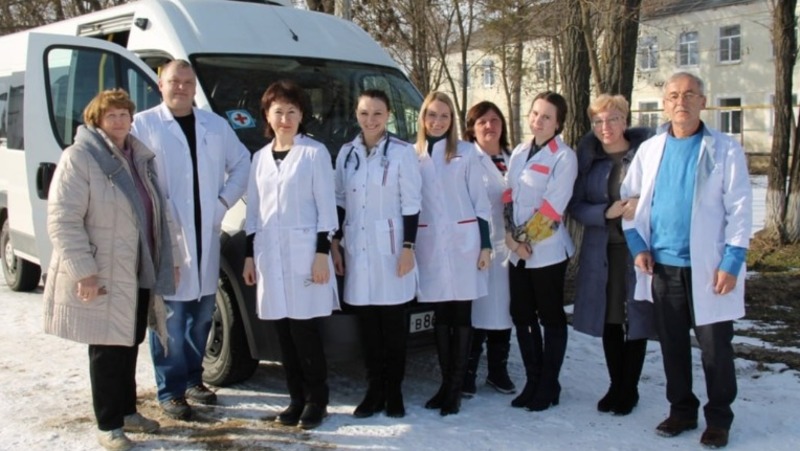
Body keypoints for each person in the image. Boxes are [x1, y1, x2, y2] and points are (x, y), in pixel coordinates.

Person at [621, 72, 752, 449]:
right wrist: (638, 246)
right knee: (672, 345)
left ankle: (719, 418)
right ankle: (681, 410)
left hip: (710, 268)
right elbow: (629, 201)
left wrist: (733, 260)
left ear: (703, 102)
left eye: (690, 94)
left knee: (715, 348)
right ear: (665, 104)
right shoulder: (650, 150)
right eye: (674, 95)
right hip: (663, 267)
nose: (682, 101)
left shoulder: (724, 149)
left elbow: (740, 208)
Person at [43, 89, 180, 451]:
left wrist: (170, 260)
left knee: (129, 342)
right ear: (96, 120)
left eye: (124, 114)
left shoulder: (137, 156)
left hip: (137, 267)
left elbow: (158, 211)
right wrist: (83, 271)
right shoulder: (80, 157)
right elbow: (63, 219)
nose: (119, 121)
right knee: (106, 348)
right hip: (104, 270)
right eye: (111, 115)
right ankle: (109, 424)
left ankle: (127, 411)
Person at [131, 60, 250, 420]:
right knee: (169, 318)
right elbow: (135, 176)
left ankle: (193, 379)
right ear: (160, 85)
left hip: (206, 235)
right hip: (167, 236)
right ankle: (170, 390)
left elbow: (242, 163)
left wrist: (222, 203)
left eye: (187, 82)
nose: (181, 87)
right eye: (174, 81)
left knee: (200, 316)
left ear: (194, 86)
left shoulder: (215, 125)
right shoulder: (143, 125)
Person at [242, 80, 339, 430]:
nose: (285, 119)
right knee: (283, 332)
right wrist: (249, 256)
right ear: (267, 116)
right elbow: (254, 213)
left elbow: (327, 208)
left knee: (305, 332)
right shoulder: (259, 158)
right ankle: (295, 399)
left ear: (302, 115)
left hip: (305, 254)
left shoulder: (314, 153)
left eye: (292, 112)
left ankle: (317, 400)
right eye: (278, 112)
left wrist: (322, 253)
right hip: (270, 256)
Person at [332, 90, 422, 419]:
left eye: (377, 114)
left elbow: (412, 203)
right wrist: (335, 243)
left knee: (393, 327)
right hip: (357, 249)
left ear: (388, 116)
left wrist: (408, 248)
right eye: (364, 113)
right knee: (368, 327)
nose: (370, 120)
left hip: (392, 250)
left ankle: (394, 391)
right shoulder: (347, 153)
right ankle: (374, 390)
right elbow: (340, 200)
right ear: (356, 114)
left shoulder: (402, 152)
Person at [569, 94, 656, 416]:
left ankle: (629, 388)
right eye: (598, 121)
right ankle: (615, 384)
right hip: (602, 250)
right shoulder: (588, 160)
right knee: (610, 318)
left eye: (612, 119)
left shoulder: (645, 155)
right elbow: (575, 205)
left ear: (625, 120)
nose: (605, 127)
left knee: (638, 317)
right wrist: (604, 212)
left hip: (639, 250)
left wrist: (641, 205)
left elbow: (661, 194)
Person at [415, 91, 492, 416]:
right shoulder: (412, 155)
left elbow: (480, 201)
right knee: (440, 316)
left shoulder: (466, 152)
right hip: (430, 242)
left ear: (452, 120)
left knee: (461, 315)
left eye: (444, 116)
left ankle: (455, 390)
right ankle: (445, 385)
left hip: (464, 244)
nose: (437, 121)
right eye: (432, 115)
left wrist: (486, 245)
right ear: (423, 118)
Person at [506, 91, 577, 412]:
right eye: (535, 113)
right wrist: (512, 239)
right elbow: (508, 195)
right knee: (522, 315)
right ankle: (533, 380)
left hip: (546, 251)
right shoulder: (520, 151)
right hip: (517, 250)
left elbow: (552, 209)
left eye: (547, 116)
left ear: (558, 123)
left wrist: (523, 240)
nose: (538, 120)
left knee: (550, 317)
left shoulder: (564, 157)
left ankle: (549, 384)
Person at [461, 101, 516, 397]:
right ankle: (468, 372)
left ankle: (498, 370)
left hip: (511, 247)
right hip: (479, 246)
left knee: (504, 311)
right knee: (478, 311)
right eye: (481, 121)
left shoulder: (514, 157)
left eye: (494, 120)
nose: (489, 126)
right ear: (472, 128)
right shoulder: (466, 158)